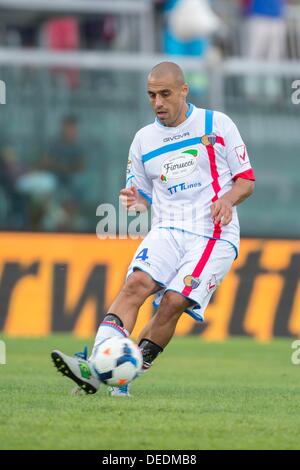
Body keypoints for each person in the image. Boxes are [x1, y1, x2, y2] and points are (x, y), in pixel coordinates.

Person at [51, 62, 255, 396]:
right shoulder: (144, 140)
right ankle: (94, 367)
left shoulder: (216, 124)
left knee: (174, 302)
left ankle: (123, 373)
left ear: (184, 90)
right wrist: (135, 198)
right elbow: (142, 192)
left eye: (165, 94)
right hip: (168, 228)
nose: (157, 102)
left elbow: (246, 180)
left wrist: (229, 199)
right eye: (151, 95)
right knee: (136, 285)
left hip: (214, 233)